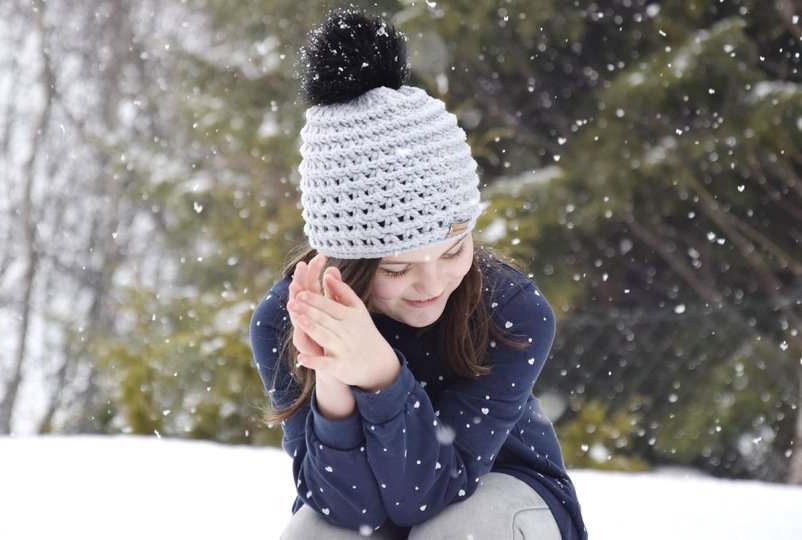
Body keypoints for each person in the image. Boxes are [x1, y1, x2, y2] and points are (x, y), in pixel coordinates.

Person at [250, 9, 587, 540]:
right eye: (398, 267)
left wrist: (381, 372)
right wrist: (334, 375)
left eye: (453, 252)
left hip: (505, 497)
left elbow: (425, 496)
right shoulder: (284, 319)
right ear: (347, 263)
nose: (432, 285)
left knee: (456, 532)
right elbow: (348, 512)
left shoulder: (513, 311)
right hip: (381, 513)